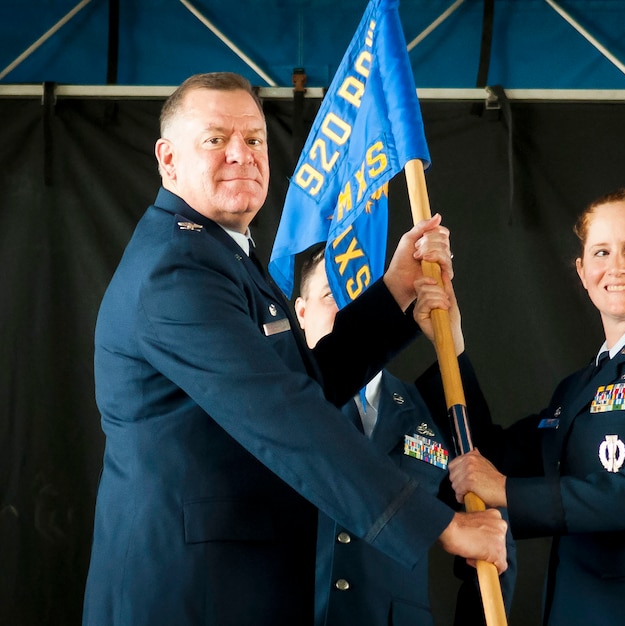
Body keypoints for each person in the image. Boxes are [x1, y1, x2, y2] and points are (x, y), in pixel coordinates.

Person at [82, 71, 507, 626]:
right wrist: (440, 524)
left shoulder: (221, 253)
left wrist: (396, 291)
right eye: (215, 139)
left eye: (254, 139)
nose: (242, 155)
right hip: (186, 594)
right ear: (168, 160)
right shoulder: (175, 269)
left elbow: (303, 382)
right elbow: (284, 414)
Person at [447, 188, 625, 625]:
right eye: (601, 252)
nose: (617, 267)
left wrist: (504, 490)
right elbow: (487, 454)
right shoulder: (577, 388)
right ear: (582, 272)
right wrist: (451, 347)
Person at [294, 245, 515, 626]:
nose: (349, 310)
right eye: (332, 295)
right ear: (301, 312)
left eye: (362, 294)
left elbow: (490, 536)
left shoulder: (430, 408)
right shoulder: (267, 405)